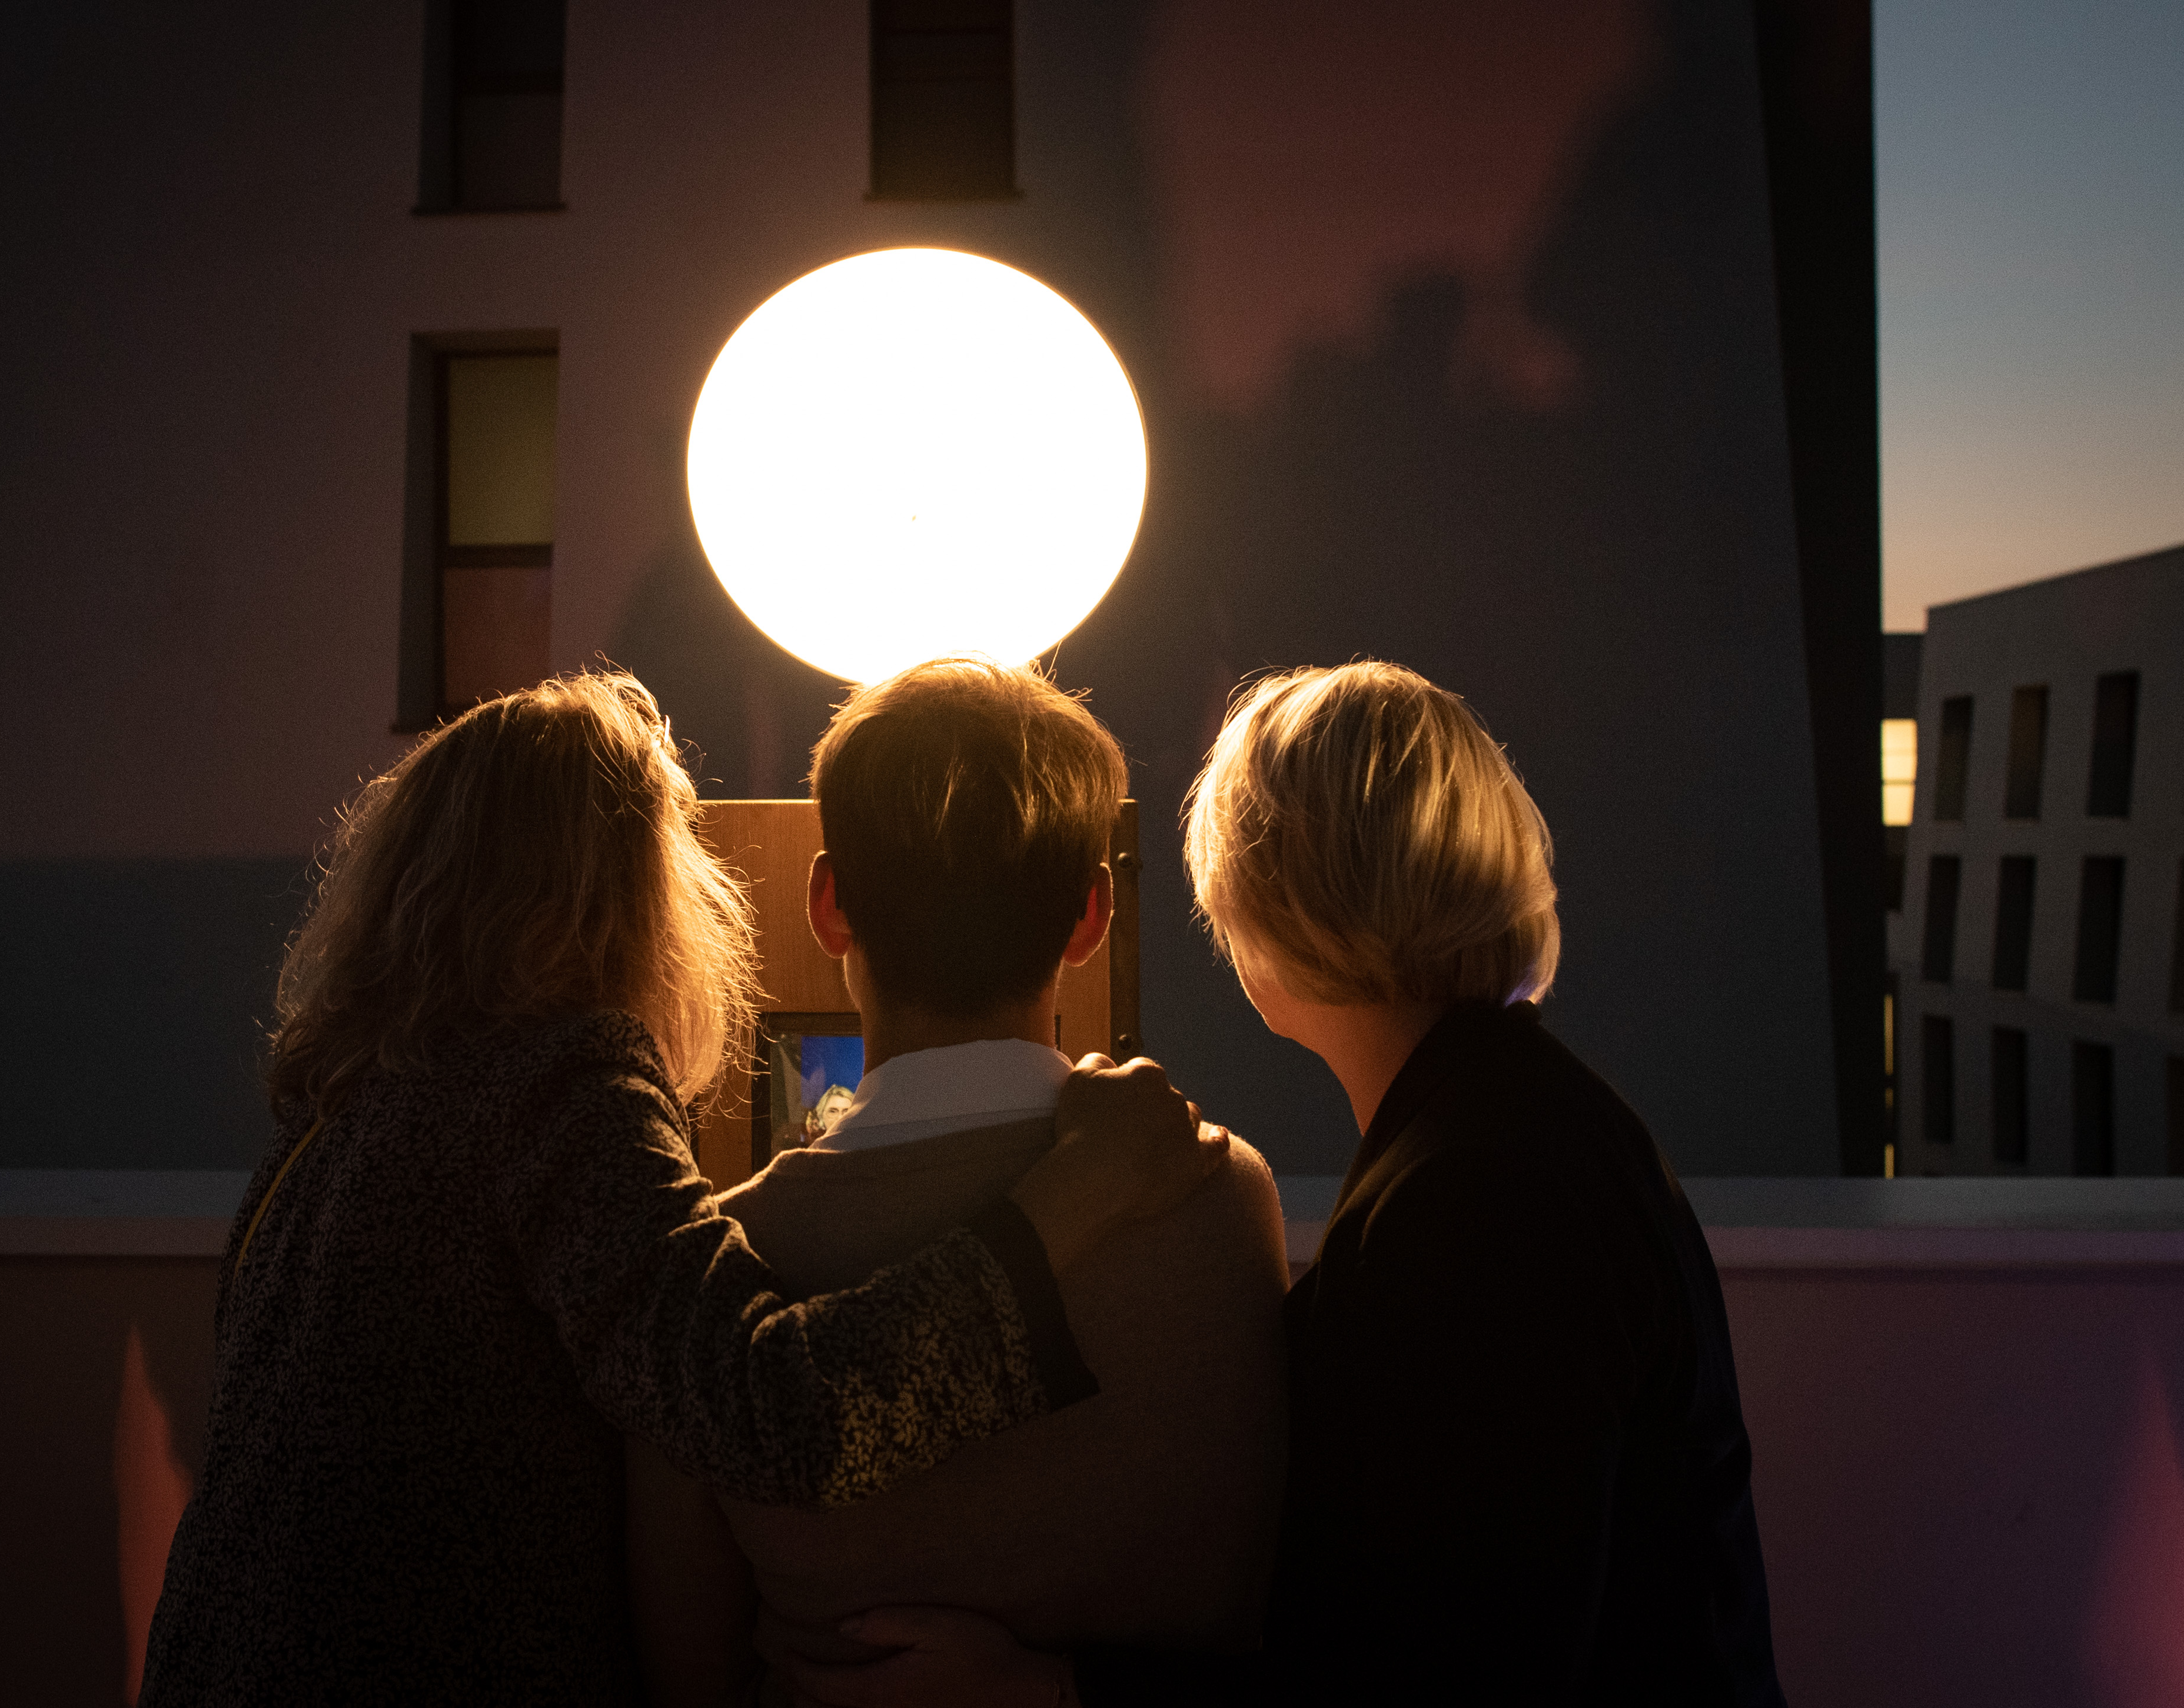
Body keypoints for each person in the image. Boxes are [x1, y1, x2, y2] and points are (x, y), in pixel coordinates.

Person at [136, 670, 1219, 1706]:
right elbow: (782, 1419)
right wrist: (1081, 1187)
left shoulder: (323, 1132)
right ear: (623, 894)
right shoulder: (559, 1088)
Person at [788, 661, 1784, 1707]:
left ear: (1274, 897)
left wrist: (1047, 1689)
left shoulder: (1479, 1197)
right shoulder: (1515, 1127)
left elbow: (1451, 1670)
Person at [627, 659, 1288, 1708]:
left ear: (827, 904)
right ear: (1092, 915)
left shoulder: (720, 1273)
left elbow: (687, 1670)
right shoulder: (1221, 1194)